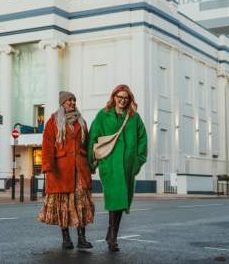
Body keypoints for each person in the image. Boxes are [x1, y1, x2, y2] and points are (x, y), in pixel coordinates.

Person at [88, 84, 147, 252]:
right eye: (119, 97)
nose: (122, 100)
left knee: (121, 202)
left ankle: (110, 233)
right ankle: (112, 237)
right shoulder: (103, 115)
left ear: (129, 100)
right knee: (115, 200)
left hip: (127, 166)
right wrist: (92, 162)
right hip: (110, 165)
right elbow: (93, 136)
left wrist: (137, 161)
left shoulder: (134, 117)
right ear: (113, 97)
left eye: (125, 98)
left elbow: (142, 139)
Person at [38, 91, 95, 250]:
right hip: (61, 171)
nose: (72, 103)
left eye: (74, 100)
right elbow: (47, 146)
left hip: (80, 170)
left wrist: (91, 163)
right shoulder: (53, 122)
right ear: (62, 103)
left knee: (81, 204)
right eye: (69, 100)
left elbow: (87, 144)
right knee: (63, 205)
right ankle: (66, 239)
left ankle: (82, 239)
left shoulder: (82, 122)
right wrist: (48, 167)